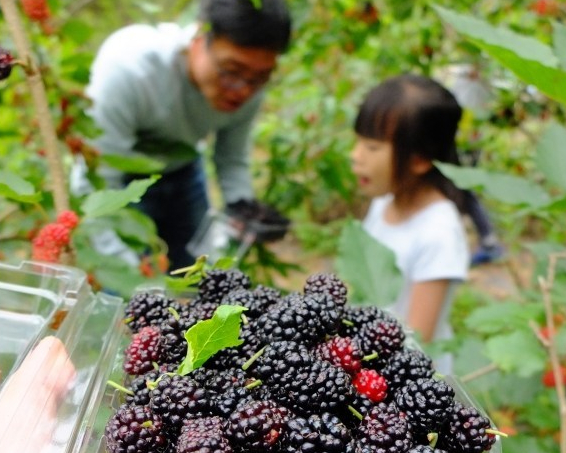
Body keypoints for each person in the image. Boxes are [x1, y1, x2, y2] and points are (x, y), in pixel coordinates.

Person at [84, 0, 292, 271]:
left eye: (260, 77)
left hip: (183, 172)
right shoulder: (129, 71)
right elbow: (97, 182)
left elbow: (231, 158)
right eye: (231, 71)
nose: (242, 90)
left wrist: (243, 211)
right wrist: (127, 275)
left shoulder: (249, 83)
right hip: (121, 181)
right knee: (127, 282)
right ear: (198, 36)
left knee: (200, 274)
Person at [350, 74, 470, 373]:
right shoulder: (382, 204)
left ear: (419, 159)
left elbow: (418, 340)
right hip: (371, 359)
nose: (356, 156)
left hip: (405, 377)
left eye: (372, 148)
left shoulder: (438, 233)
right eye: (358, 143)